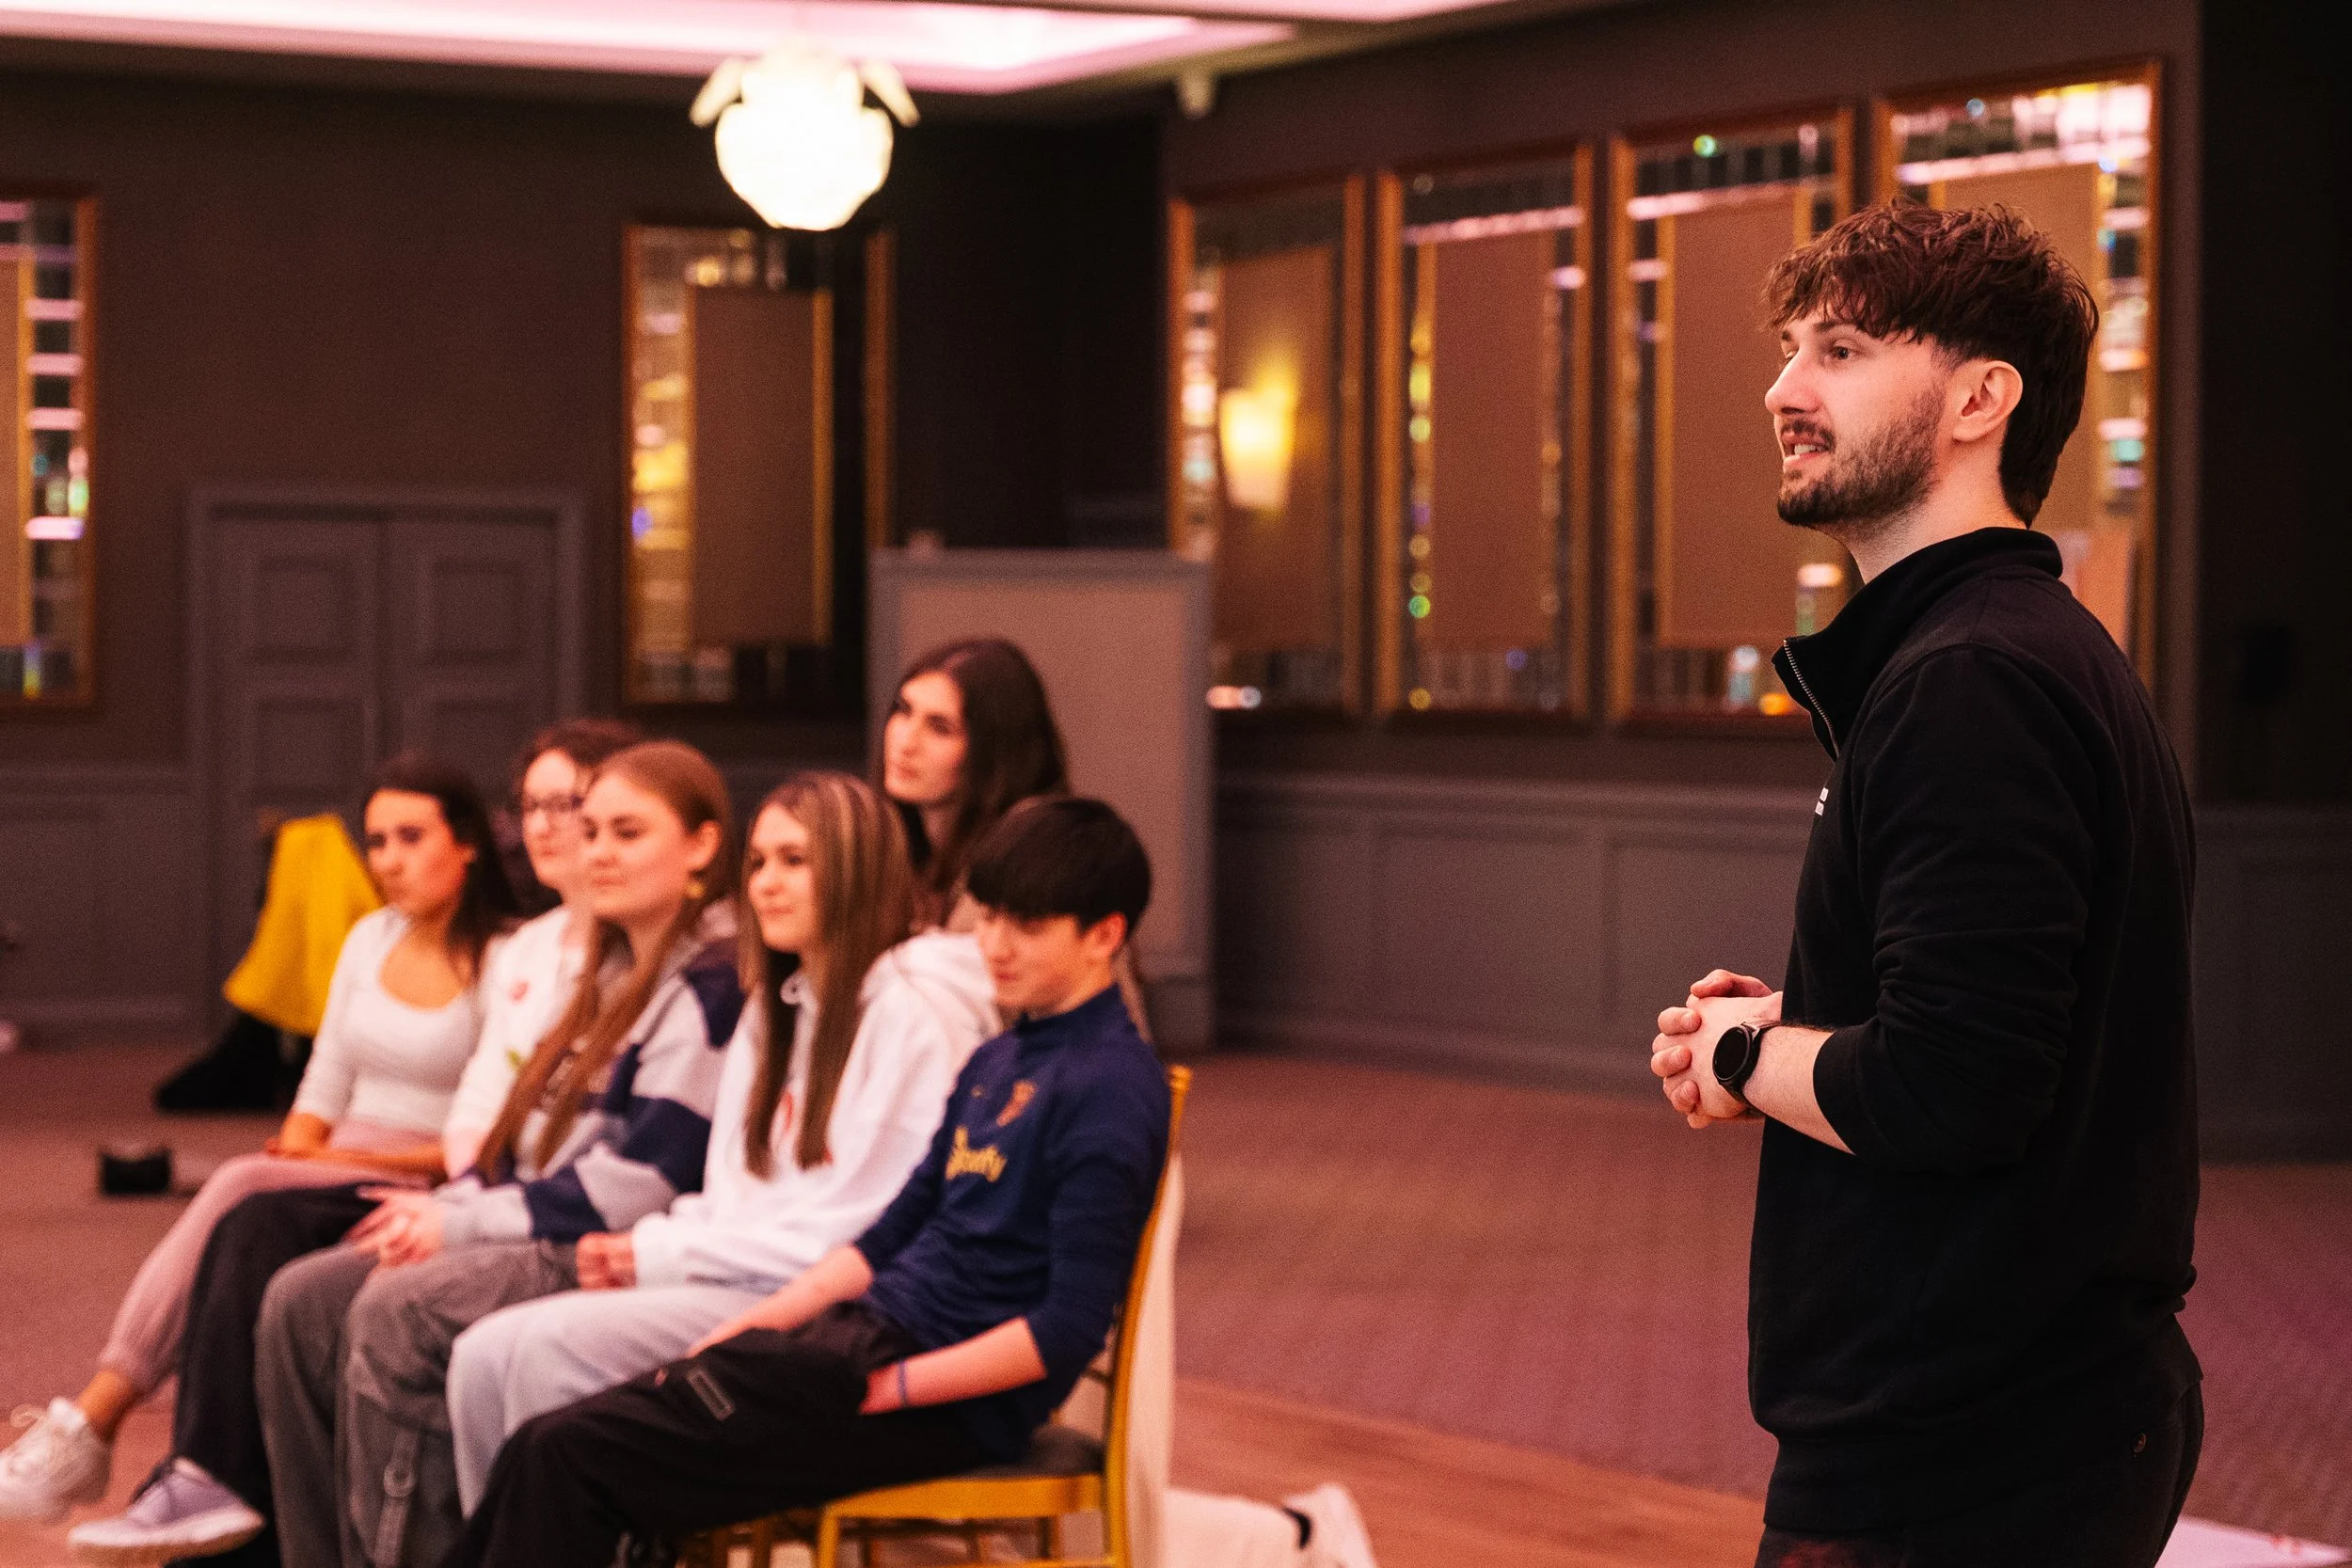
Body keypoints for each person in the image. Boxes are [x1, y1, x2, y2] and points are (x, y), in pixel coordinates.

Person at [1646, 201, 2199, 1568]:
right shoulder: (2008, 650)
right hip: (2014, 1419)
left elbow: (1958, 1089)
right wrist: (1807, 1018)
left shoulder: (1973, 682)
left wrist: (1737, 1047)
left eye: (1838, 348)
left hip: (1966, 1447)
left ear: (1980, 397)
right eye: (1790, 350)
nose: (1785, 388)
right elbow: (2000, 1027)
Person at [64, 739, 740, 1566]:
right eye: (585, 827)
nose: (592, 849)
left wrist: (456, 1217)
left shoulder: (698, 984)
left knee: (390, 1304)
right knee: (300, 1298)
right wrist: (453, 1203)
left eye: (622, 832)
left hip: (601, 1242)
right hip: (506, 1199)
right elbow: (498, 1135)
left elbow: (630, 1187)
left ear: (702, 844)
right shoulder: (601, 966)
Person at [297, 770, 999, 1567]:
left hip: (816, 1304)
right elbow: (733, 1197)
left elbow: (863, 1230)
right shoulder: (780, 1008)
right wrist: (656, 1247)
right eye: (761, 861)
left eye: (795, 860)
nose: (767, 882)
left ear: (857, 866)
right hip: (733, 1268)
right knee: (485, 1356)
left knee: (534, 1354)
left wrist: (653, 1253)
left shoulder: (910, 1015)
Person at [447, 796, 1171, 1567]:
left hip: (935, 1396)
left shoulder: (1111, 1088)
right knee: (548, 1446)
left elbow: (1067, 1327)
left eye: (1027, 926)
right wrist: (756, 1331)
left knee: (571, 1459)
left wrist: (891, 1386)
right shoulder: (1002, 1059)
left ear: (1105, 935)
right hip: (854, 1340)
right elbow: (894, 1230)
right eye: (990, 918)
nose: (995, 944)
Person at [885, 639, 1373, 1568]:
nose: (905, 739)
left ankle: (1296, 1538)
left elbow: (1071, 1039)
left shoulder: (1034, 848)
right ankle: (1293, 1535)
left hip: (1085, 1140)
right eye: (902, 712)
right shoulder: (930, 861)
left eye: (938, 724)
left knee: (1091, 1448)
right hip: (1001, 1152)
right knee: (1037, 1450)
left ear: (991, 745)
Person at [0, 753, 518, 1525]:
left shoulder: (510, 956)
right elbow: (325, 1079)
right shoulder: (370, 937)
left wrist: (332, 1157)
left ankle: (95, 1421)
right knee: (244, 1202)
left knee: (241, 1184)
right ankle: (140, 1452)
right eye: (376, 841)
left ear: (468, 843)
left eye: (411, 837)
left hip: (426, 1173)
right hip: (332, 1160)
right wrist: (306, 1144)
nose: (390, 861)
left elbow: (483, 1140)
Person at [441, 718, 643, 1177]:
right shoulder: (526, 947)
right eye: (528, 806)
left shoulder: (645, 953)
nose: (538, 825)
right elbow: (481, 1095)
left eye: (561, 805)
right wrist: (472, 1184)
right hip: (493, 1186)